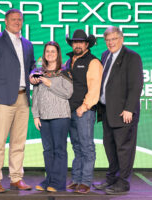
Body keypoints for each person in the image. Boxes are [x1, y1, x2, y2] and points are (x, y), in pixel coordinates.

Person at [0, 8, 35, 193]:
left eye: (19, 19)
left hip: (23, 99)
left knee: (18, 143)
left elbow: (32, 67)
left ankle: (16, 178)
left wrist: (36, 73)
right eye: (13, 19)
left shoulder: (27, 44)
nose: (17, 22)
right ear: (5, 21)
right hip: (2, 99)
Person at [93, 26, 143, 195]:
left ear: (121, 39)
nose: (110, 43)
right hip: (107, 111)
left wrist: (129, 109)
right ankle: (111, 178)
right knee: (110, 147)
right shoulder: (105, 55)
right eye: (107, 40)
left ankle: (123, 182)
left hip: (123, 112)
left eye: (114, 39)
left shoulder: (132, 57)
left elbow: (136, 85)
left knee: (124, 149)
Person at [31, 41, 73, 192]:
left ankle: (58, 182)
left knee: (59, 149)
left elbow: (68, 93)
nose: (49, 54)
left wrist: (50, 84)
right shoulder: (38, 71)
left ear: (58, 54)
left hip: (60, 115)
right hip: (43, 116)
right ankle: (48, 180)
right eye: (47, 51)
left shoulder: (64, 71)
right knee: (47, 150)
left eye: (53, 51)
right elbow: (35, 95)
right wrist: (35, 115)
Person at [65, 29, 103, 194]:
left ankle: (86, 181)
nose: (78, 44)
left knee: (86, 146)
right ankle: (76, 179)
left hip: (84, 111)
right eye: (75, 42)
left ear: (87, 44)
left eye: (81, 42)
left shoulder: (93, 62)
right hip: (69, 110)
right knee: (76, 146)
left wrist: (85, 106)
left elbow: (95, 88)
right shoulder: (69, 61)